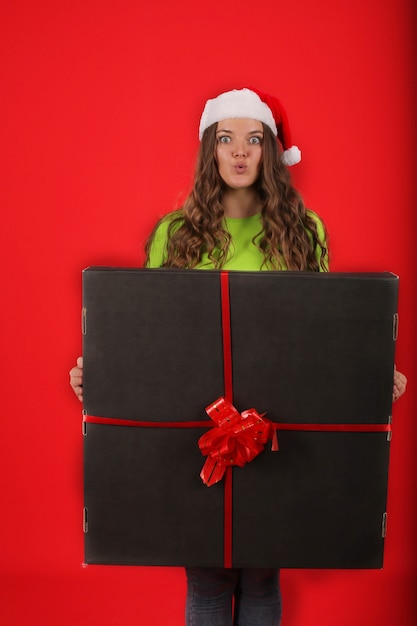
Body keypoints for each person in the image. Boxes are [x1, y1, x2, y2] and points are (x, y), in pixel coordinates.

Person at [70, 87, 407, 625]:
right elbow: (149, 336)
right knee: (206, 577)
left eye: (254, 140)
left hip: (277, 437)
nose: (240, 152)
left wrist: (368, 369)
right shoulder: (172, 235)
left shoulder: (305, 232)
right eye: (226, 139)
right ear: (211, 151)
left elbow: (322, 335)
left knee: (262, 574)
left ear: (271, 153)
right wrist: (102, 371)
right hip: (197, 435)